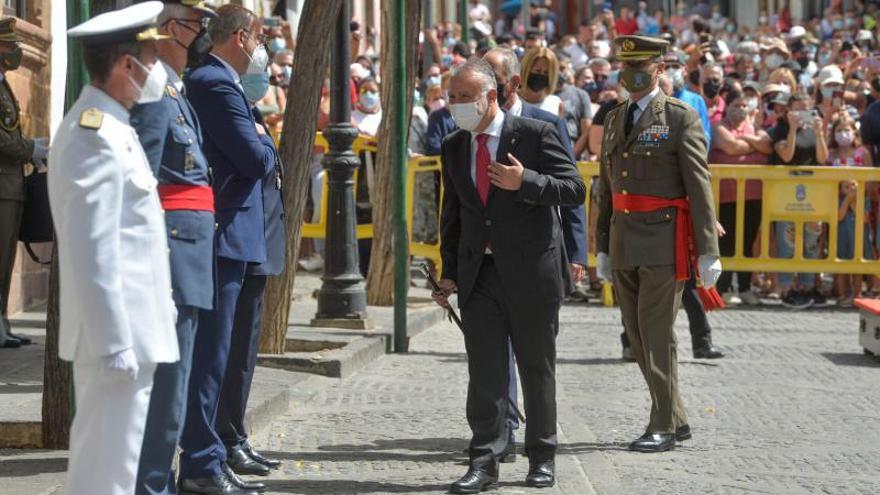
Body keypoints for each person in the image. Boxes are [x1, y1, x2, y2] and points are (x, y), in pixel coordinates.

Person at [435, 58, 585, 492]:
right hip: (479, 274)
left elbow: (574, 189)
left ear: (492, 97)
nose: (457, 105)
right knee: (485, 373)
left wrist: (528, 183)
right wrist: (449, 275)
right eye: (452, 98)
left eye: (466, 97)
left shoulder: (536, 133)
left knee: (536, 368)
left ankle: (542, 456)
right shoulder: (454, 145)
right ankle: (484, 460)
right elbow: (454, 214)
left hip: (531, 271)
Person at [49, 3, 180, 493]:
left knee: (116, 470)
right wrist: (112, 341)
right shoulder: (94, 134)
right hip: (116, 337)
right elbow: (92, 245)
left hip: (132, 330)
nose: (156, 69)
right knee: (105, 473)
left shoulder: (113, 127)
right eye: (151, 57)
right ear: (127, 65)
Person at [595, 36, 721, 453]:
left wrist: (707, 250)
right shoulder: (614, 119)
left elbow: (698, 185)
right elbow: (606, 188)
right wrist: (602, 244)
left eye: (642, 64)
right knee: (636, 335)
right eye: (625, 63)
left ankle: (662, 424)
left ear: (660, 67)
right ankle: (677, 418)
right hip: (624, 237)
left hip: (664, 241)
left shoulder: (680, 117)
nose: (632, 72)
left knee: (657, 333)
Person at [179, 4, 276, 493]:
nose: (261, 49)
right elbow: (252, 157)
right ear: (241, 37)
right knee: (210, 357)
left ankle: (213, 454)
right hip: (222, 234)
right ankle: (200, 463)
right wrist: (266, 143)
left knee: (224, 353)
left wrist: (262, 143)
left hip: (237, 235)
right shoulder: (214, 83)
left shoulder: (223, 82)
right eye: (258, 38)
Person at [126, 1, 216, 494]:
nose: (202, 35)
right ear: (166, 30)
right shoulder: (156, 91)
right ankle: (151, 487)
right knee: (165, 391)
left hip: (190, 254)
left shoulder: (174, 89)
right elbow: (143, 179)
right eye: (196, 26)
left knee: (175, 390)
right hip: (172, 256)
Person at [483, 46, 588, 464]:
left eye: (491, 75)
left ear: (511, 82)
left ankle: (540, 448)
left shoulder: (546, 125)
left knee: (535, 358)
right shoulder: (468, 135)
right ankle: (503, 430)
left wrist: (576, 251)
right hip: (489, 267)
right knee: (494, 357)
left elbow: (572, 190)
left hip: (536, 261)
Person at [214, 76, 286, 488]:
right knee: (229, 351)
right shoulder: (222, 97)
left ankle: (235, 434)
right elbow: (255, 162)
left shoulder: (247, 103)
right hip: (240, 241)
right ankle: (226, 438)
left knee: (243, 352)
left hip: (259, 242)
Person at [0, 17, 47, 348]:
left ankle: (1, 324)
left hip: (11, 187)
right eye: (9, 45)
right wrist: (32, 148)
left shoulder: (3, 85)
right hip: (1, 187)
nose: (15, 51)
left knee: (5, 262)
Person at [710, 91, 772, 306]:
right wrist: (751, 145)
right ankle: (723, 288)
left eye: (745, 105)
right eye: (737, 104)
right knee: (726, 243)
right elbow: (730, 147)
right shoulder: (718, 126)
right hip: (725, 195)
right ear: (728, 106)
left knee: (748, 242)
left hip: (753, 195)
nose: (741, 109)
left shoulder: (755, 126)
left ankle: (745, 288)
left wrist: (744, 139)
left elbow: (766, 147)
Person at [771, 93, 828, 309]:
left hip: (812, 190)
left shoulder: (815, 129)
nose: (802, 114)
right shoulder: (781, 128)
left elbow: (823, 158)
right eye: (798, 109)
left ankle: (807, 285)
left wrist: (820, 132)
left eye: (807, 109)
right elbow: (786, 155)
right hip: (787, 190)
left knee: (811, 239)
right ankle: (786, 286)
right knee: (788, 238)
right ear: (788, 111)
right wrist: (793, 129)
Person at [827, 114, 873, 306]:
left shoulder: (863, 152)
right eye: (839, 130)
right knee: (841, 248)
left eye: (847, 130)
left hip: (861, 203)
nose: (843, 134)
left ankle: (858, 292)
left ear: (855, 132)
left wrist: (857, 194)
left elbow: (871, 181)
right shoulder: (832, 155)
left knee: (861, 247)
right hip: (838, 204)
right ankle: (842, 292)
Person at [519, 46, 563, 116]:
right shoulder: (513, 100)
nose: (541, 76)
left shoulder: (556, 103)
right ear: (526, 70)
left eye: (546, 73)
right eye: (537, 71)